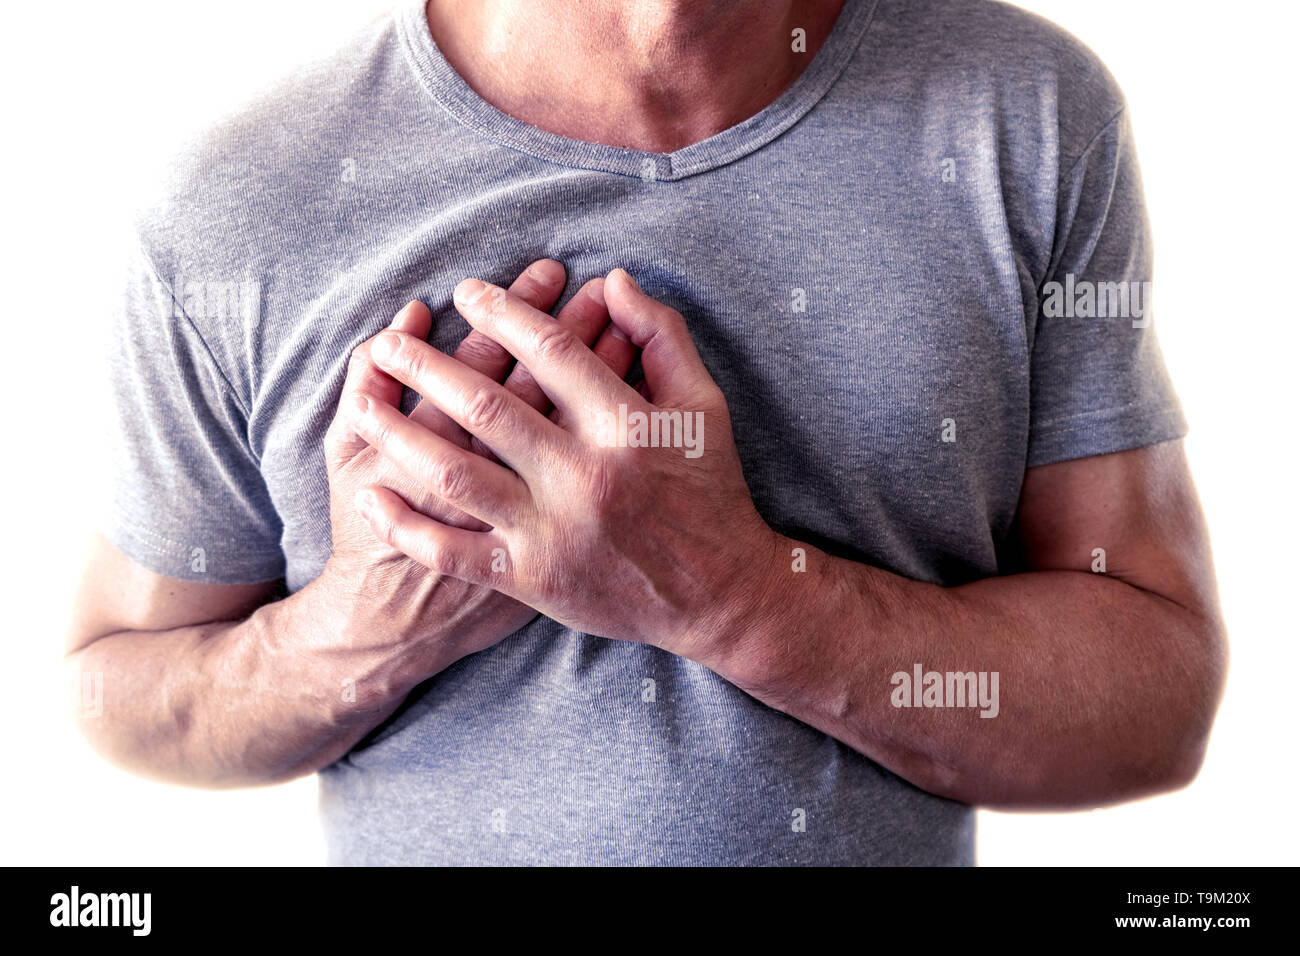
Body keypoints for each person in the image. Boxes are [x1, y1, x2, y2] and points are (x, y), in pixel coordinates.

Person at [68, 0, 1226, 865]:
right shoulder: (238, 202)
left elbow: (1153, 699)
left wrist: (739, 595)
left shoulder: (1024, 117)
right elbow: (121, 688)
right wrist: (366, 622)